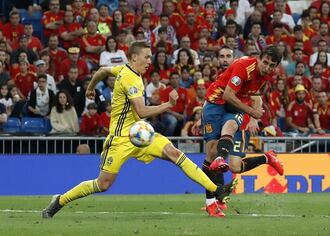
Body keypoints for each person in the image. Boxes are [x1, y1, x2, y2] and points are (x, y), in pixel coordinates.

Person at [42, 41, 237, 218]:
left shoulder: (122, 70)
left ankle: (216, 190)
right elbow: (142, 110)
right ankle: (59, 200)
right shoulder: (130, 80)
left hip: (141, 134)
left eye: (150, 57)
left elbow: (102, 71)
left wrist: (90, 88)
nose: (149, 61)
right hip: (120, 139)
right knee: (103, 184)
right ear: (134, 57)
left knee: (174, 153)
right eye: (146, 57)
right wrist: (168, 104)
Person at [201, 46, 284, 217]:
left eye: (271, 65)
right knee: (217, 156)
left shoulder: (265, 77)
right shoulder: (244, 67)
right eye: (265, 62)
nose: (267, 67)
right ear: (259, 58)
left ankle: (219, 160)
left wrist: (252, 115)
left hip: (234, 108)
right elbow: (227, 95)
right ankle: (211, 202)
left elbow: (254, 97)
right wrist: (252, 112)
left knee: (231, 126)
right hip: (215, 104)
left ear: (275, 67)